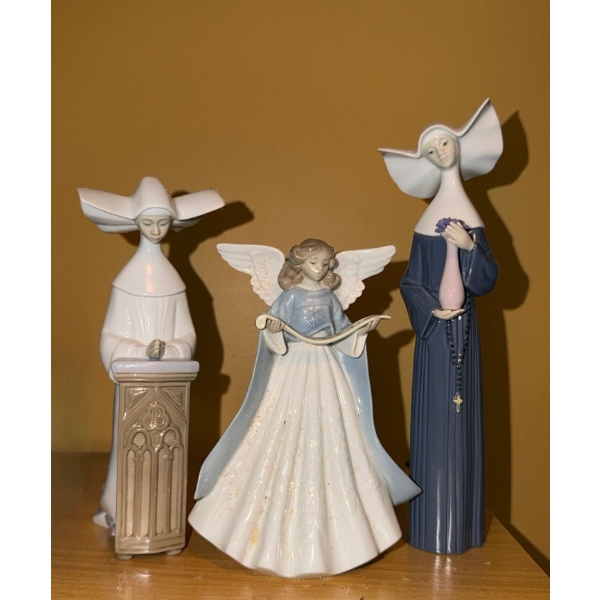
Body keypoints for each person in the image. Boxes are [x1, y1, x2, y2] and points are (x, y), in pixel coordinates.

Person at [189, 239, 420, 577]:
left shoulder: (329, 298)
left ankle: (341, 542)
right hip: (292, 369)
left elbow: (342, 334)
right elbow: (271, 331)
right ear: (299, 266)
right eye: (315, 263)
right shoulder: (290, 298)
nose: (322, 269)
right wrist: (273, 330)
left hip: (326, 370)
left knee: (332, 434)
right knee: (280, 433)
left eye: (326, 264)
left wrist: (360, 331)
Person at [379, 100, 502, 554]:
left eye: (444, 143)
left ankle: (463, 528)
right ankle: (430, 527)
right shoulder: (424, 226)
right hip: (434, 339)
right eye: (431, 150)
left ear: (459, 147)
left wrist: (469, 246)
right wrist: (431, 311)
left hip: (466, 334)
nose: (439, 151)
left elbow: (486, 280)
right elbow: (410, 281)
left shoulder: (474, 223)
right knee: (435, 421)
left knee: (463, 420)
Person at [78, 176, 224, 530]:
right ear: (136, 223)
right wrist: (139, 351)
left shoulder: (174, 282)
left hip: (169, 384)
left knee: (167, 447)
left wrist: (170, 350)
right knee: (130, 445)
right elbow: (110, 336)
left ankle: (162, 518)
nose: (156, 230)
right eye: (148, 222)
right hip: (134, 380)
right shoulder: (126, 281)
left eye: (162, 222)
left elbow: (187, 334)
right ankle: (120, 510)